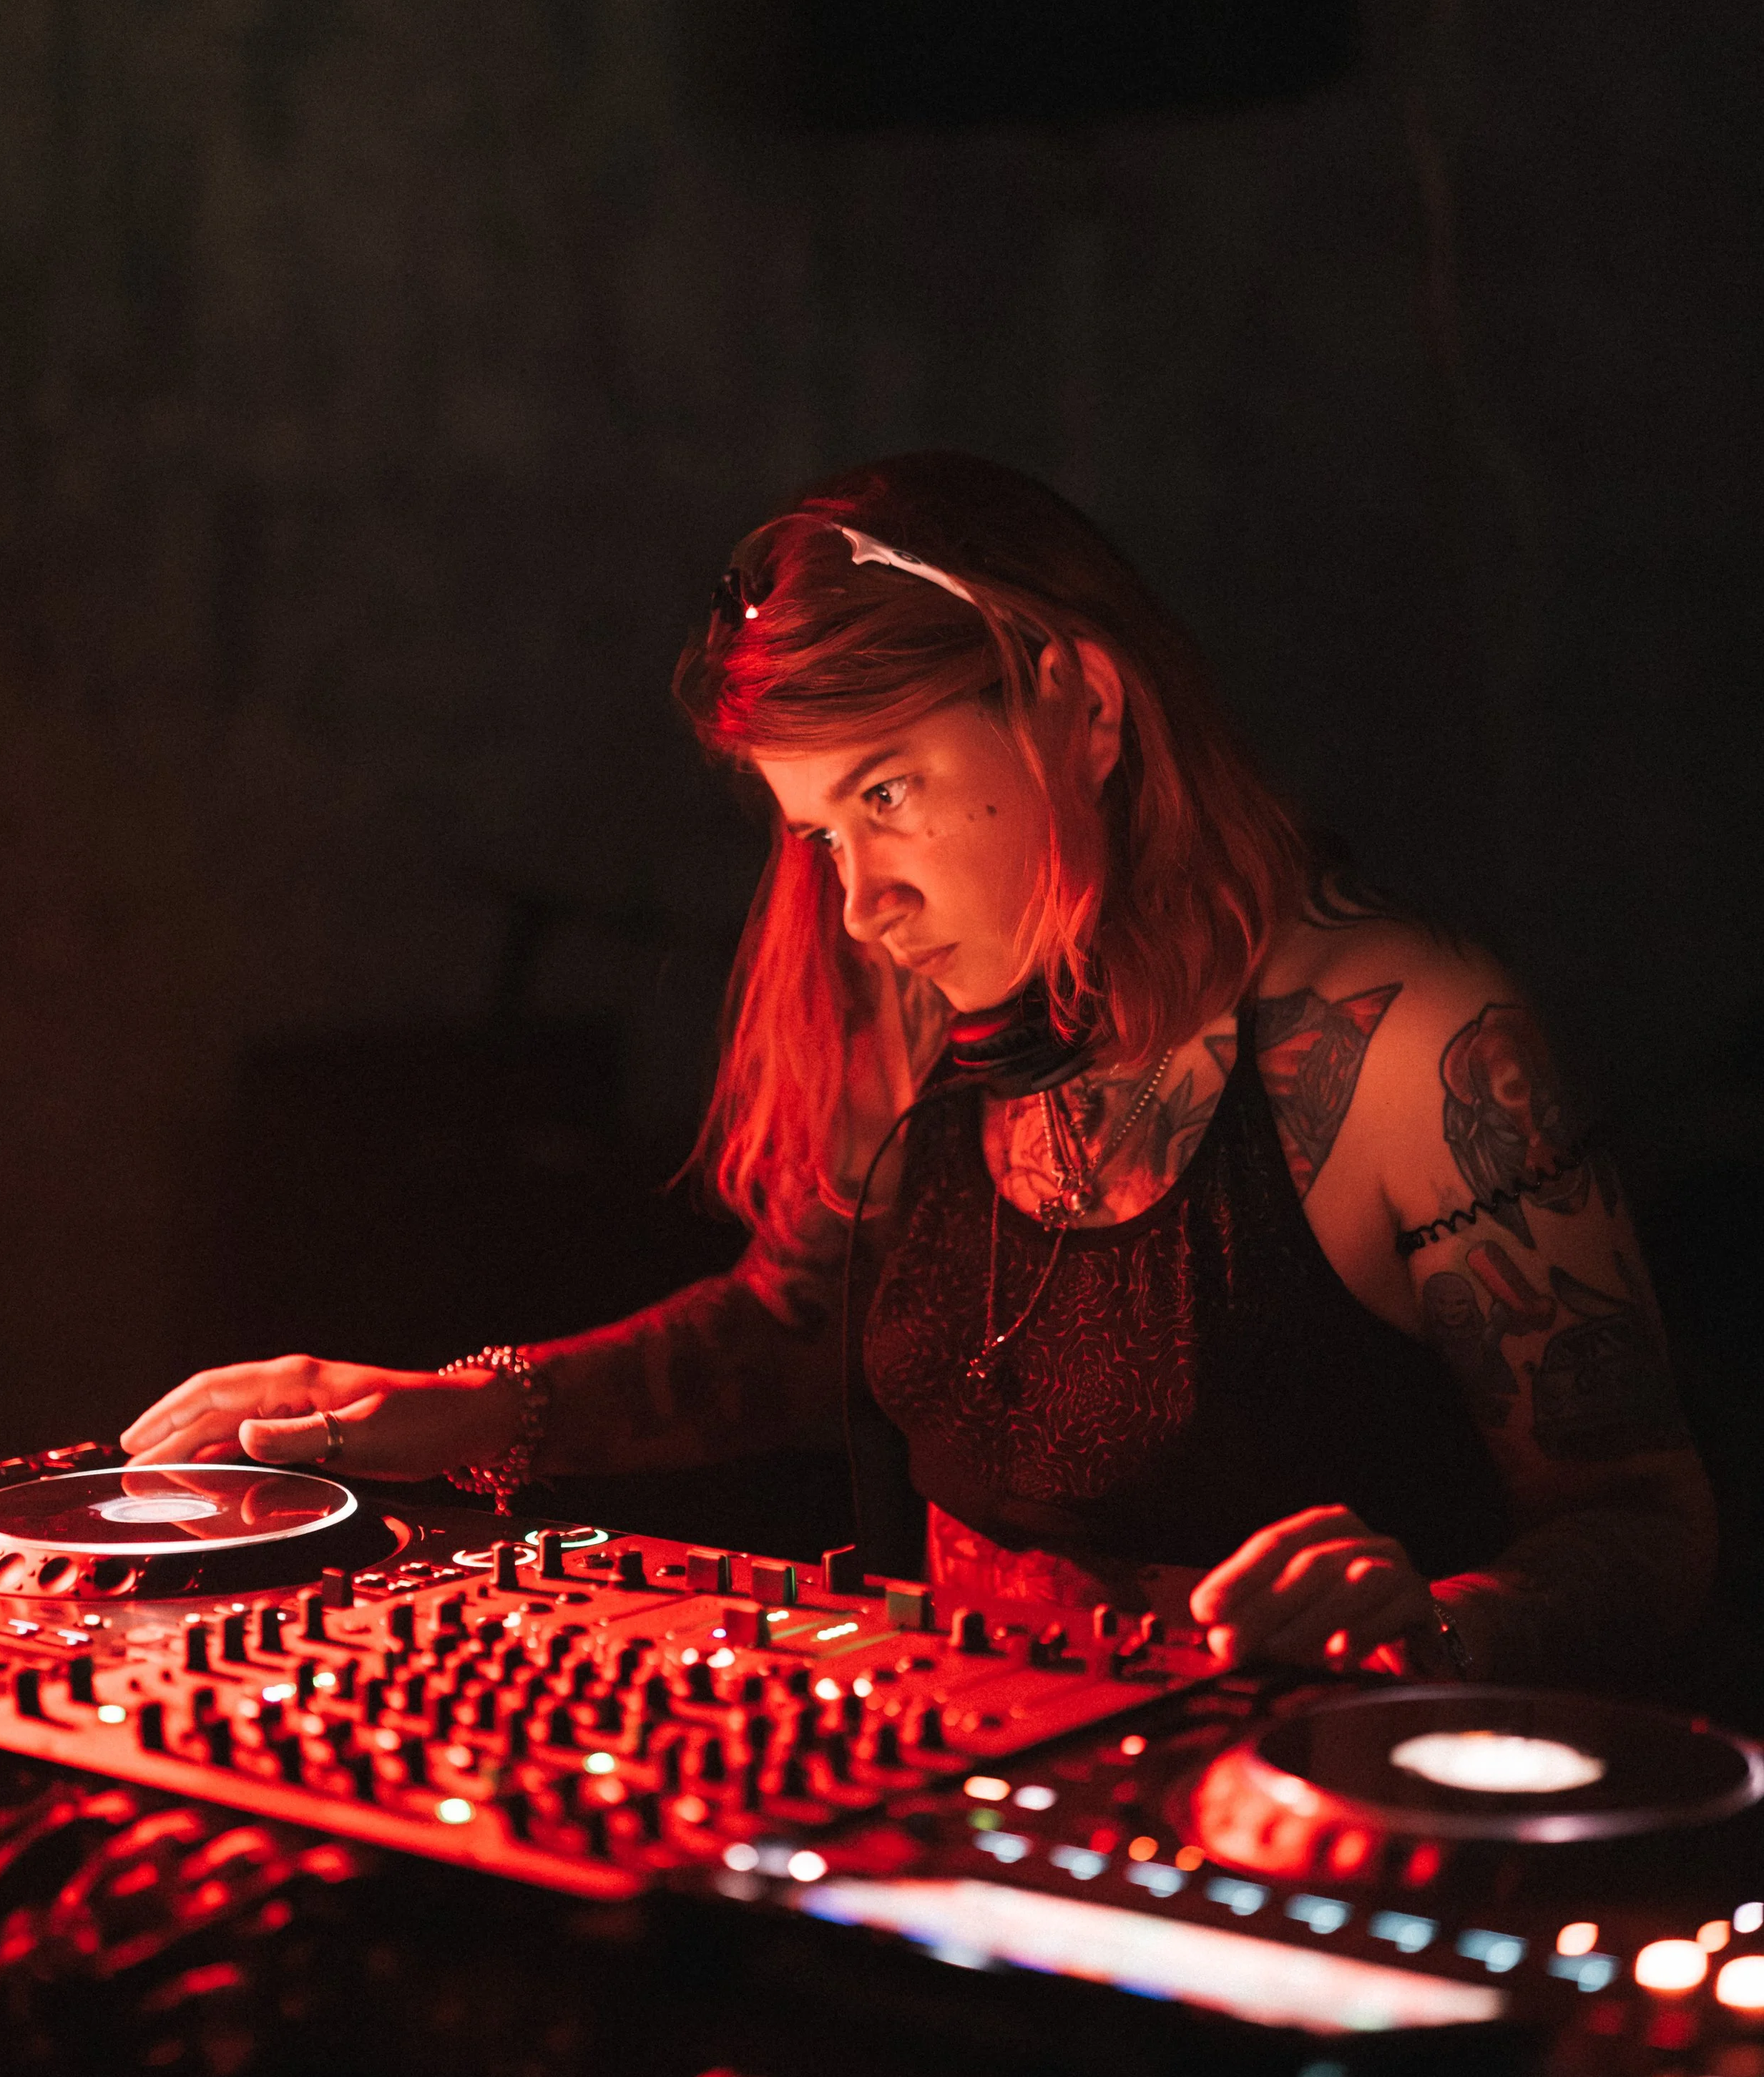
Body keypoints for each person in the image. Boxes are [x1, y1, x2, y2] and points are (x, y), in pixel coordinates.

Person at [123, 454, 1716, 1686]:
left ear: (1079, 704)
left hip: (1305, 1848)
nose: (859, 904)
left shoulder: (1411, 1046)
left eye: (886, 795)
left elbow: (1641, 1529)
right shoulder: (936, 1002)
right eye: (814, 831)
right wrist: (450, 1407)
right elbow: (807, 1322)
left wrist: (1436, 1628)